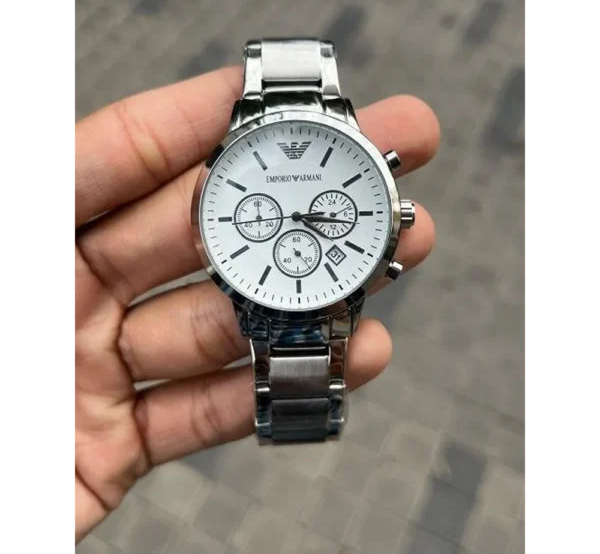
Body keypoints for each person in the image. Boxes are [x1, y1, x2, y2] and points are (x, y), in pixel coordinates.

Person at [73, 65, 440, 544]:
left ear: (397, 216)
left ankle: (307, 415)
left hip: (323, 296)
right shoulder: (214, 222)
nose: (295, 216)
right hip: (272, 297)